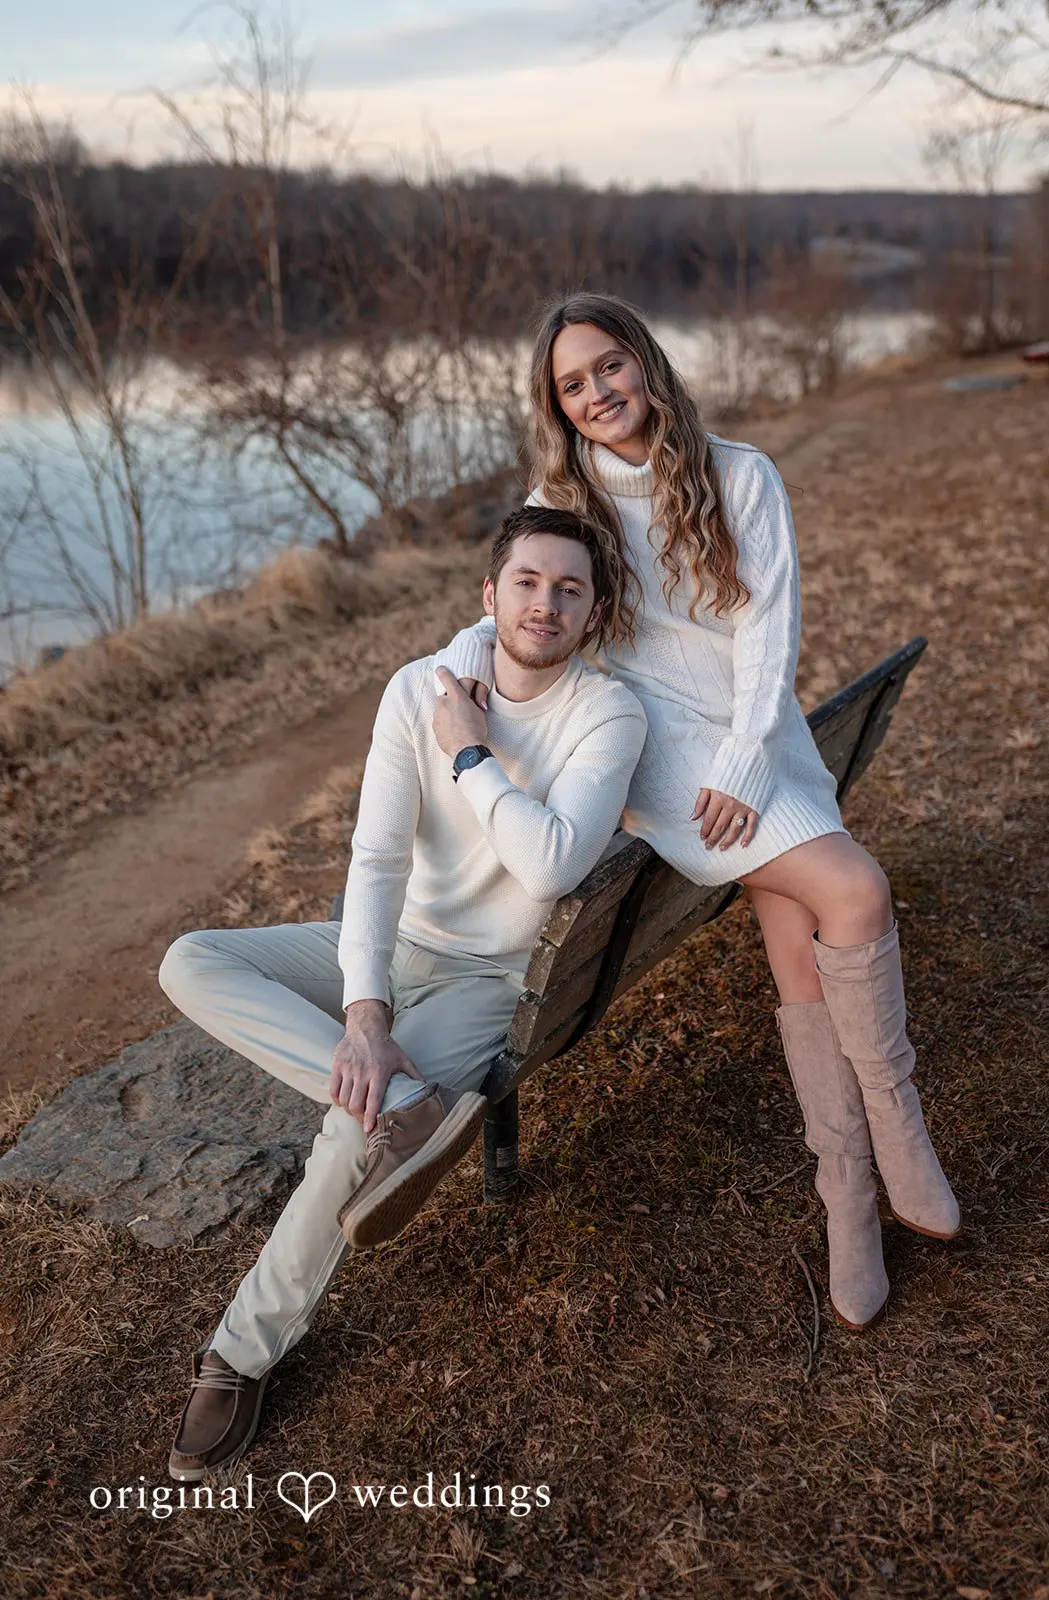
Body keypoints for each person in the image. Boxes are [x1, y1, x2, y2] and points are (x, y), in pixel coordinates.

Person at [437, 292, 960, 1333]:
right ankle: (897, 1130)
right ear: (556, 404)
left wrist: (747, 759)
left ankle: (845, 1196)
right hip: (653, 747)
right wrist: (451, 673)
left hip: (751, 739)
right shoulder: (565, 491)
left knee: (795, 930)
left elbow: (769, 633)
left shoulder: (738, 473)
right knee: (850, 885)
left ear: (646, 361)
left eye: (608, 368)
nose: (596, 396)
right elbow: (513, 596)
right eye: (571, 385)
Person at [157, 505, 647, 1480]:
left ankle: (239, 1353)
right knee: (191, 959)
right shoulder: (415, 687)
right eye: (525, 582)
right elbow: (376, 857)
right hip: (389, 942)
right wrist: (363, 1015)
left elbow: (549, 865)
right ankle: (408, 1103)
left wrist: (470, 750)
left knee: (346, 1126)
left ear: (592, 612)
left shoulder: (607, 712)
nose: (543, 604)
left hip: (486, 975)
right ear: (488, 593)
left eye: (567, 589)